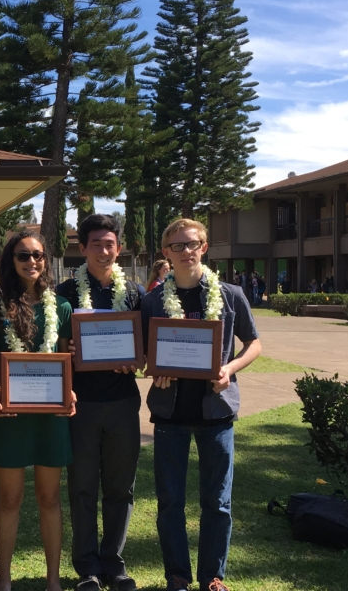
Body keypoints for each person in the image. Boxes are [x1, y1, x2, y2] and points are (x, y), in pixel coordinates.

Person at [140, 219, 260, 591]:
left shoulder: (230, 294)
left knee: (218, 501)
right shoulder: (153, 301)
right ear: (166, 253)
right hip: (171, 414)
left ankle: (213, 576)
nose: (186, 251)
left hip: (216, 413)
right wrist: (153, 371)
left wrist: (229, 368)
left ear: (204, 248)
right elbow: (144, 355)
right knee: (170, 501)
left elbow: (254, 344)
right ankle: (177, 574)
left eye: (193, 244)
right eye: (178, 246)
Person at [0, 230, 76, 591]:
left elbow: (66, 360)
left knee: (49, 497)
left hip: (51, 416)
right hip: (11, 414)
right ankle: (4, 579)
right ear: (12, 260)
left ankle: (52, 580)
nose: (32, 262)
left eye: (37, 255)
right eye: (23, 256)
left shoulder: (61, 307)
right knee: (10, 498)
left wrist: (68, 390)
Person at [56, 215, 143, 591]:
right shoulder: (65, 293)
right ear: (82, 248)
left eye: (110, 244)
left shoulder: (136, 294)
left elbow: (146, 351)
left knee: (121, 488)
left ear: (118, 248)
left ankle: (114, 562)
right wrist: (68, 350)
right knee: (82, 487)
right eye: (96, 244)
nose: (104, 251)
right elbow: (54, 347)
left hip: (123, 402)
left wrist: (136, 359)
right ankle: (87, 566)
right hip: (83, 404)